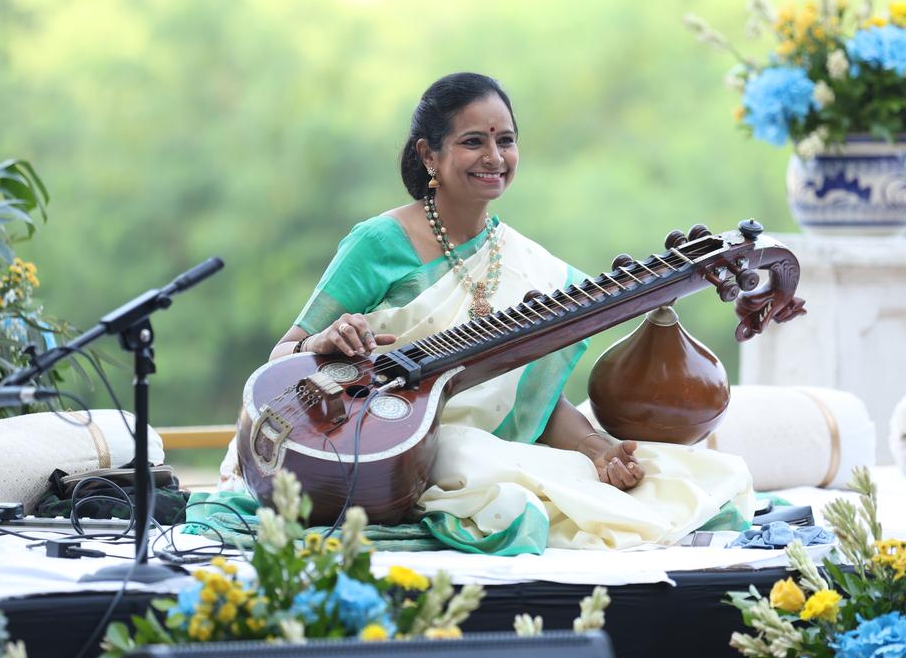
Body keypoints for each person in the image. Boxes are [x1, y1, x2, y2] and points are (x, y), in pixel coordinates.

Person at [268, 73, 755, 551]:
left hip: (489, 445)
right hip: (395, 445)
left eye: (506, 140)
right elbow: (280, 358)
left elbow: (527, 397)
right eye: (474, 141)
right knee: (501, 486)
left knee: (681, 472)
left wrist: (597, 449)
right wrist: (321, 342)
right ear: (428, 154)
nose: (494, 157)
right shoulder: (379, 243)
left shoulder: (528, 264)